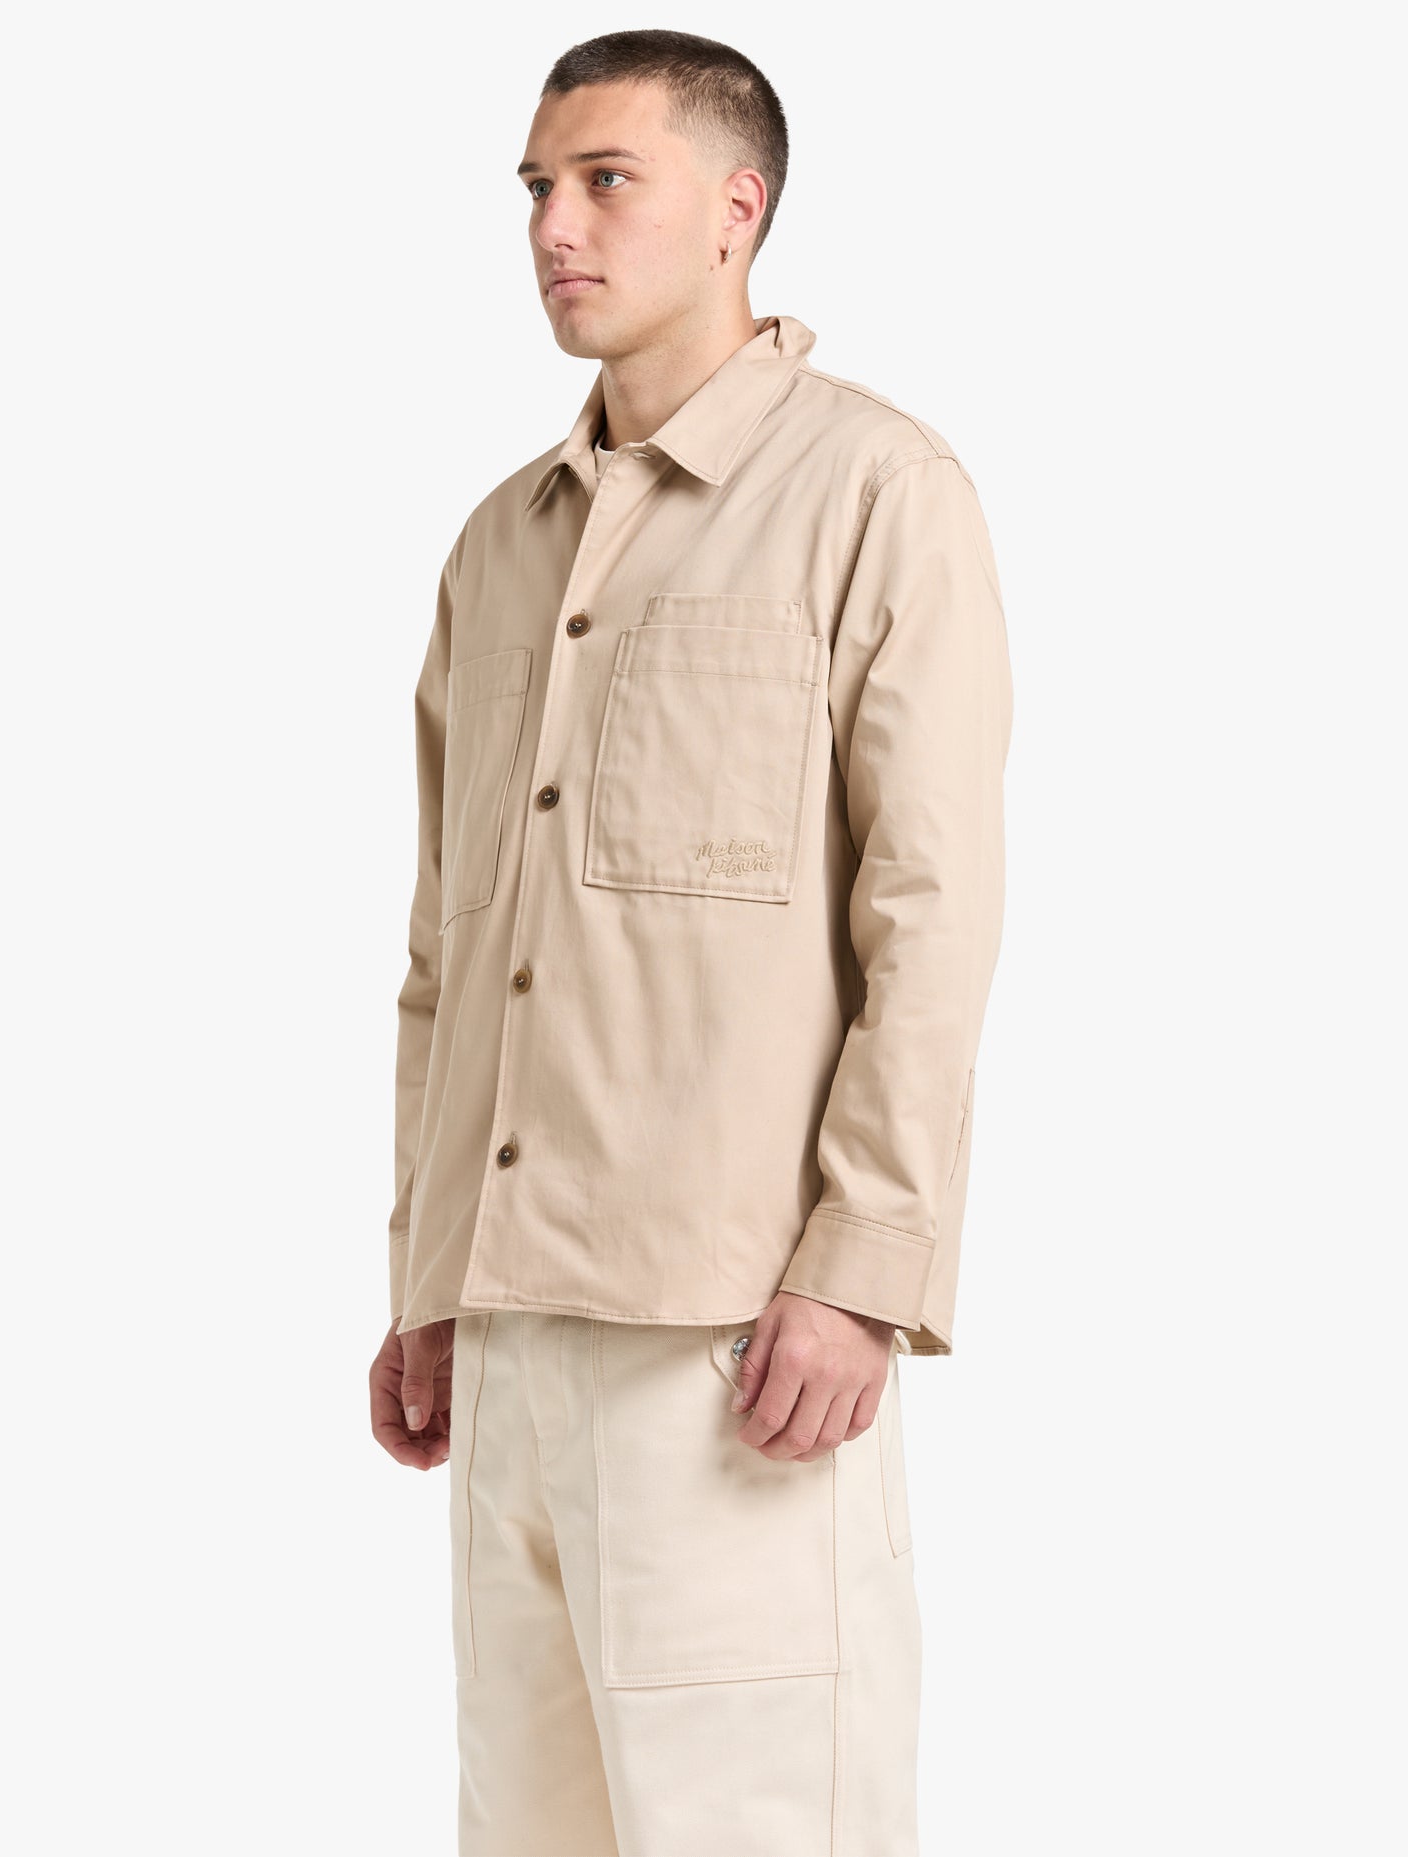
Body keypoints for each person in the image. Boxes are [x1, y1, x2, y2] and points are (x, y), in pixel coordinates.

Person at [368, 27, 1013, 1856]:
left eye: (603, 181)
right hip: (507, 1341)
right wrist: (429, 1273)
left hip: (732, 1341)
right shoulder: (499, 543)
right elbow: (444, 948)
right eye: (534, 188)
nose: (551, 226)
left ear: (738, 207)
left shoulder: (876, 491)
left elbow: (931, 909)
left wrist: (862, 1266)